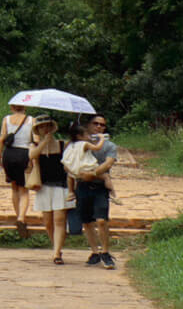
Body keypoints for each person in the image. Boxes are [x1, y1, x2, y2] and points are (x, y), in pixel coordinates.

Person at [68, 114, 120, 269]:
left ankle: (105, 251)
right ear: (88, 126)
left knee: (102, 220)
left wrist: (93, 173)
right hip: (82, 186)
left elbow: (108, 163)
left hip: (99, 186)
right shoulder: (77, 144)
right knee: (87, 221)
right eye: (95, 124)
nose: (99, 127)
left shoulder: (109, 146)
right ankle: (94, 251)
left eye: (102, 125)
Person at [27, 117, 70, 264]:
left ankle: (57, 253)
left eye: (48, 126)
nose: (45, 129)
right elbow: (32, 155)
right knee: (48, 222)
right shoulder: (34, 145)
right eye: (41, 127)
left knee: (59, 219)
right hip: (43, 186)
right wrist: (44, 142)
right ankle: (56, 246)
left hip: (60, 184)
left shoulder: (62, 144)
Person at [0, 100, 37, 232]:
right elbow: (35, 140)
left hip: (9, 154)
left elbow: (1, 139)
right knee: (24, 190)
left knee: (14, 188)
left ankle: (18, 215)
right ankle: (21, 218)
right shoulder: (31, 120)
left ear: (12, 107)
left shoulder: (6, 119)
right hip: (24, 153)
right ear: (25, 107)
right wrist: (34, 158)